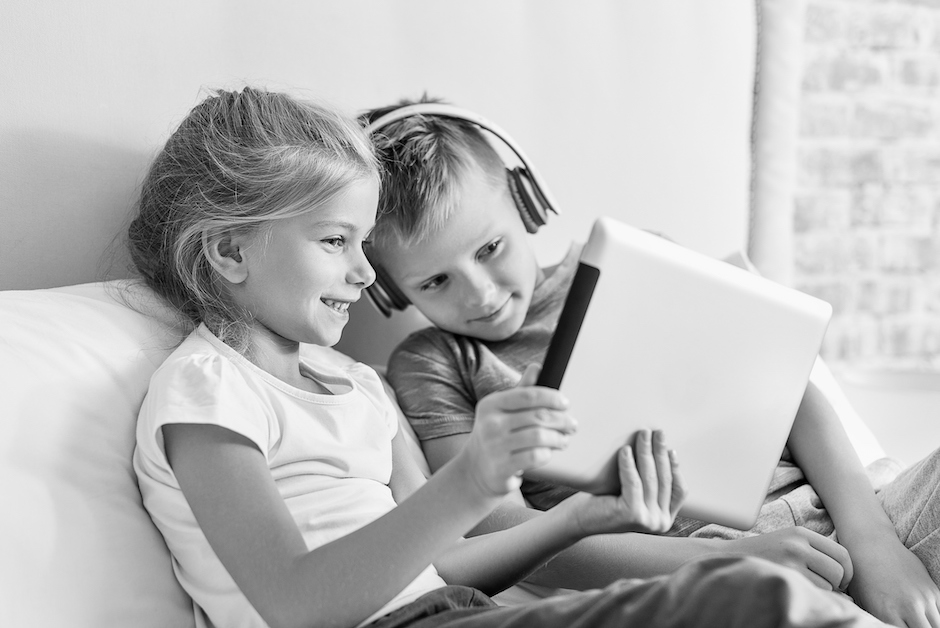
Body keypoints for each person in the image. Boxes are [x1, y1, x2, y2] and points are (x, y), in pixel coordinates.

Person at [125, 86, 884, 628]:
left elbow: (446, 562)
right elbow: (296, 606)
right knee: (761, 600)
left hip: (463, 609)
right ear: (227, 251)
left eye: (363, 246)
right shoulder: (206, 389)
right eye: (336, 242)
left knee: (753, 596)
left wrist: (579, 519)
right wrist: (476, 479)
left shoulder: (359, 386)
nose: (363, 273)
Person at [364, 95, 940, 627]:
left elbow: (792, 394)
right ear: (391, 291)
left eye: (490, 249)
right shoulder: (433, 364)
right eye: (436, 281)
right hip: (695, 563)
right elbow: (501, 528)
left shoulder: (640, 264)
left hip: (859, 508)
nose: (480, 295)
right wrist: (724, 560)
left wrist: (877, 544)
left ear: (524, 202)